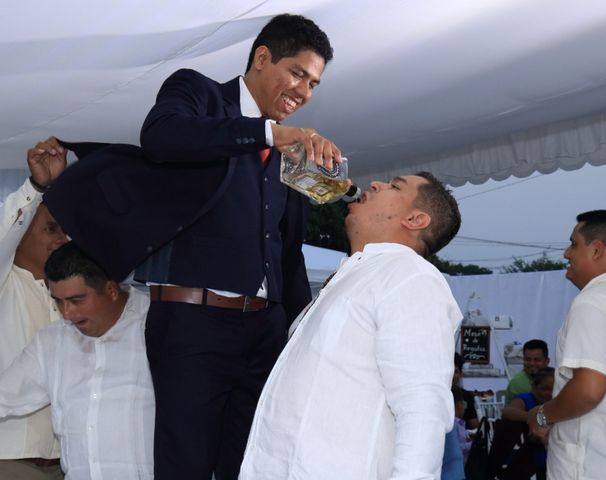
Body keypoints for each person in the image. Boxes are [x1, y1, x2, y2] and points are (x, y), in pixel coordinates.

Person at [42, 13, 336, 480]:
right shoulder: (198, 92)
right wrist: (264, 133)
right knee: (186, 466)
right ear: (262, 58)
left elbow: (287, 252)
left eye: (314, 84)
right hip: (192, 323)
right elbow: (161, 136)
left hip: (266, 329)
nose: (305, 91)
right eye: (298, 73)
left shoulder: (290, 155)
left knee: (254, 464)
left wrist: (300, 335)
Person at [240, 172, 463, 479]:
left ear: (415, 219)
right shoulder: (358, 275)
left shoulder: (411, 276)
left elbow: (422, 406)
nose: (375, 184)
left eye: (394, 186)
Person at [0, 242, 154, 479]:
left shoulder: (155, 325)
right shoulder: (52, 341)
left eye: (76, 300)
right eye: (58, 301)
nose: (67, 314)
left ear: (111, 290)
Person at [527, 210, 606, 479]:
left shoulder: (594, 302)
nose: (567, 253)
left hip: (592, 463)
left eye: (574, 243)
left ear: (597, 250)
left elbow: (589, 389)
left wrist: (543, 415)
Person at [0, 137, 67, 479]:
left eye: (67, 231)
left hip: (67, 464)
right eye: (52, 229)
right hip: (10, 460)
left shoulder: (74, 302)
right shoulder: (6, 285)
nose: (62, 240)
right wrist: (36, 186)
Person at [494, 367, 555, 480]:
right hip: (530, 466)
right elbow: (507, 412)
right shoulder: (525, 399)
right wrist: (534, 418)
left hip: (555, 464)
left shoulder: (560, 404)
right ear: (534, 388)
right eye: (545, 388)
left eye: (554, 389)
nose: (550, 393)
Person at [505, 339, 550, 403]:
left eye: (537, 360)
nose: (532, 363)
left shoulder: (557, 381)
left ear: (547, 361)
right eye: (528, 359)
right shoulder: (516, 384)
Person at [454, 351, 480, 429]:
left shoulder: (467, 396)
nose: (451, 375)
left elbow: (474, 425)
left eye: (455, 371)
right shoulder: (433, 395)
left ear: (460, 373)